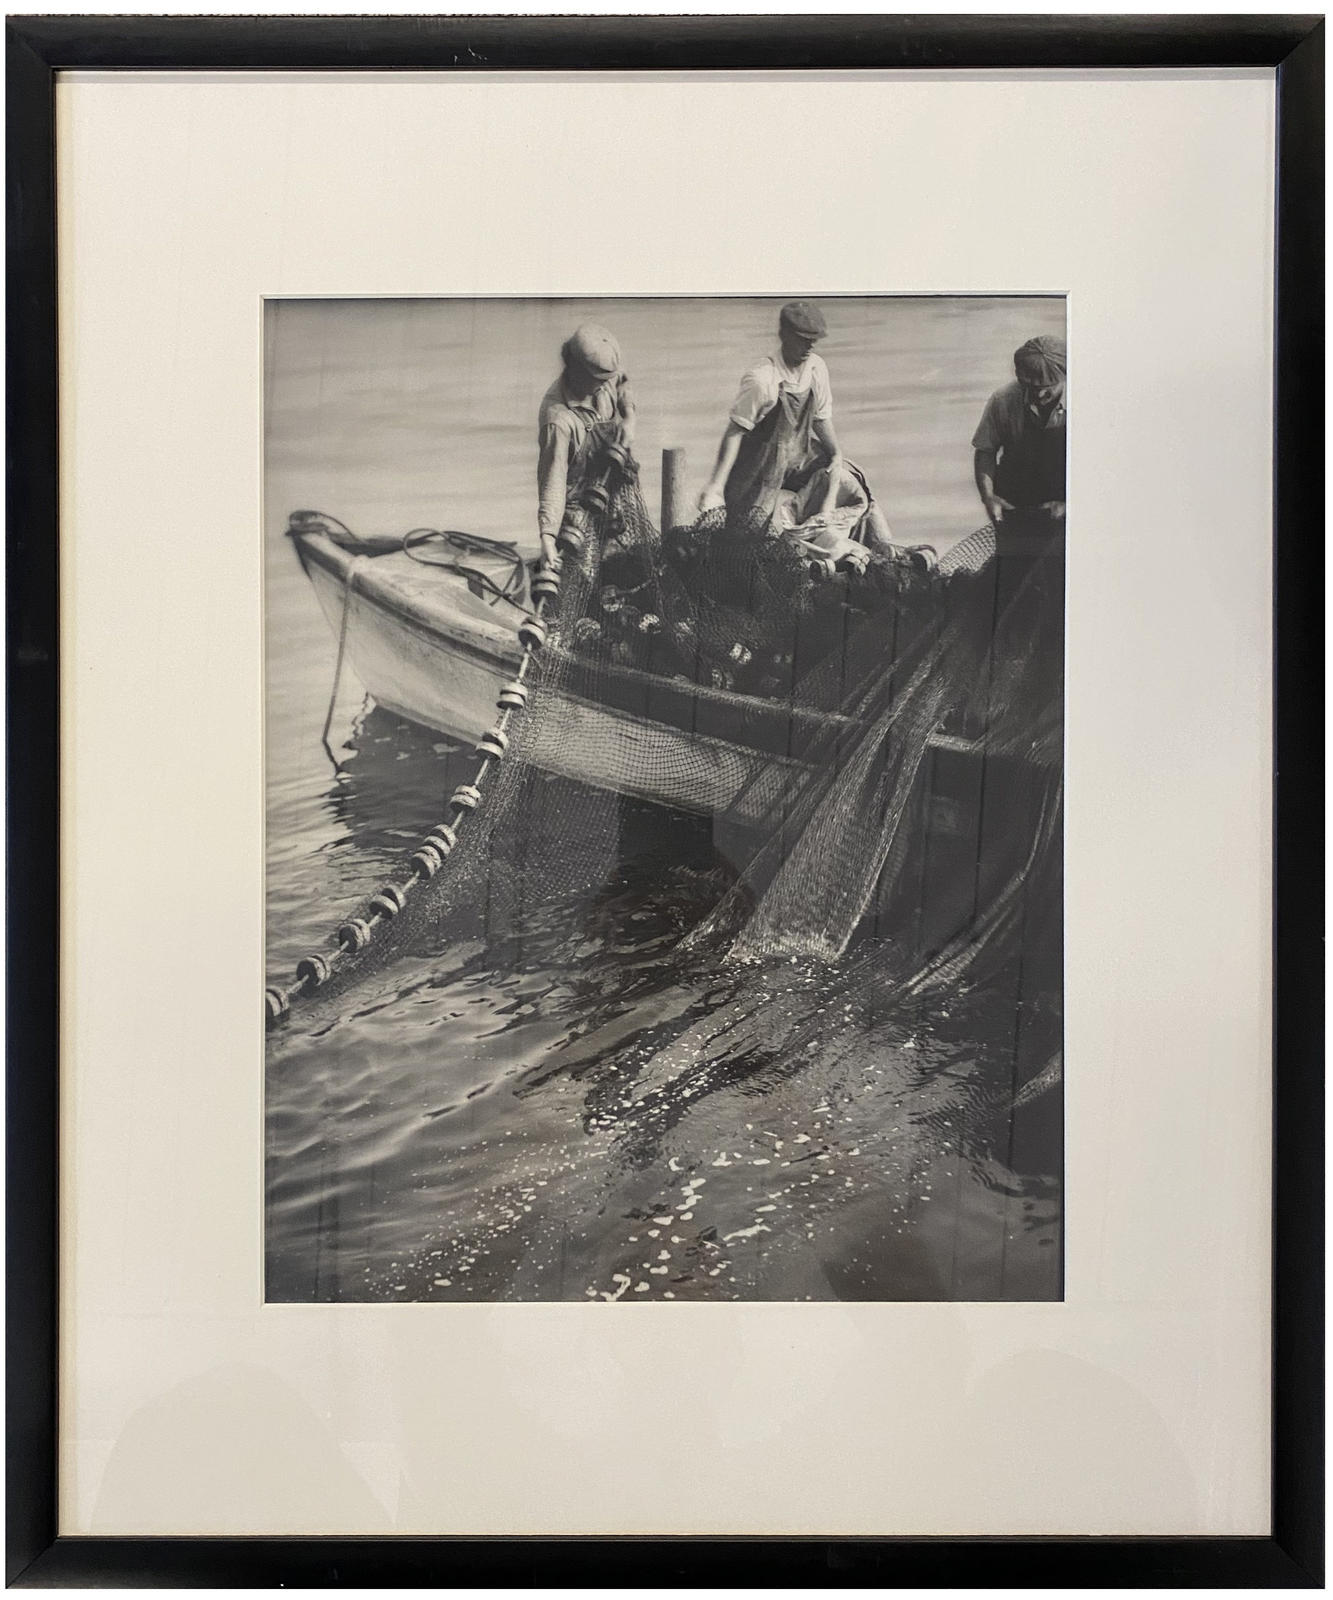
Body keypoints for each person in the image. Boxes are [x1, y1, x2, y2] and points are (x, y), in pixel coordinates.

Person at [696, 301, 865, 546]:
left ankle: (854, 546)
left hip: (800, 457)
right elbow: (734, 431)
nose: (809, 346)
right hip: (759, 468)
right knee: (744, 542)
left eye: (813, 340)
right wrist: (715, 485)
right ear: (783, 334)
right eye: (802, 339)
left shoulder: (817, 368)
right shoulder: (763, 379)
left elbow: (820, 418)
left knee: (853, 484)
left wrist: (836, 453)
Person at [537, 324, 636, 569]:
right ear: (576, 370)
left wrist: (630, 418)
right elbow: (553, 478)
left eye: (606, 380)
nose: (604, 386)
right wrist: (547, 536)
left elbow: (622, 382)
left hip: (610, 486)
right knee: (585, 571)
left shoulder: (606, 377)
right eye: (598, 381)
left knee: (625, 563)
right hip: (577, 505)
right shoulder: (558, 420)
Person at [971, 335, 1067, 530]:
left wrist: (1072, 505)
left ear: (1064, 379)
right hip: (1014, 503)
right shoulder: (1003, 399)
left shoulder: (1089, 403)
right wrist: (988, 497)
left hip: (1066, 500)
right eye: (1030, 387)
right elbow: (985, 451)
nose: (1039, 395)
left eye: (1047, 388)